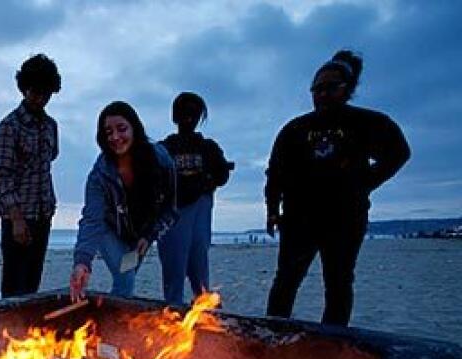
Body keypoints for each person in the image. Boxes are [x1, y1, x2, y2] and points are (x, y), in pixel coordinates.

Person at [264, 50, 410, 326]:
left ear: (347, 89)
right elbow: (276, 173)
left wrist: (364, 182)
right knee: (286, 279)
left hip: (345, 217)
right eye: (317, 89)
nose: (322, 94)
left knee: (339, 282)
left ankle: (332, 340)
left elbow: (399, 152)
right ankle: (273, 333)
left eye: (330, 87)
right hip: (299, 217)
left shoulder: (367, 122)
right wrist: (272, 210)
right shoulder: (295, 129)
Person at [70, 101, 177, 302]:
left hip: (140, 235)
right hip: (109, 230)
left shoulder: (160, 161)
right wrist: (82, 262)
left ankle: (113, 323)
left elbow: (170, 208)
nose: (115, 137)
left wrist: (149, 234)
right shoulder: (100, 175)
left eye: (121, 129)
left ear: (134, 128)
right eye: (108, 132)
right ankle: (111, 327)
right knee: (125, 277)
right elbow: (92, 220)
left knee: (126, 279)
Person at [0, 54, 61, 297]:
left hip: (43, 213)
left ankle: (29, 334)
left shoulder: (51, 126)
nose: (40, 98)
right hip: (18, 217)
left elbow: (50, 159)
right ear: (24, 88)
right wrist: (17, 219)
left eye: (45, 93)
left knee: (32, 284)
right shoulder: (9, 126)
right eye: (35, 92)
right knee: (13, 285)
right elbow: (3, 176)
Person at [159, 92, 233, 306]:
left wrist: (207, 181)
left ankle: (203, 306)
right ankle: (173, 310)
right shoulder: (165, 148)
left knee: (199, 261)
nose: (188, 118)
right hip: (172, 216)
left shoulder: (208, 147)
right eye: (183, 113)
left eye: (194, 113)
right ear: (175, 116)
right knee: (174, 266)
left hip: (200, 213)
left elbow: (222, 174)